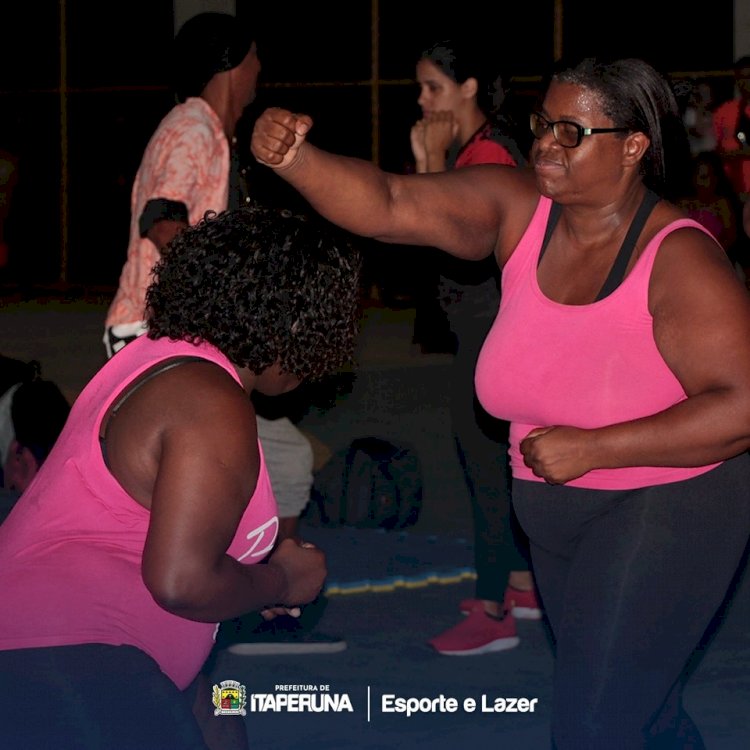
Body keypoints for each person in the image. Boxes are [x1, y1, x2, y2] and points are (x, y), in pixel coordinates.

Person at [250, 56, 750, 748]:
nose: (546, 144)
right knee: (643, 710)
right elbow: (391, 203)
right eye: (545, 125)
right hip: (552, 514)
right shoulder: (519, 212)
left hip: (666, 507)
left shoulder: (679, 259)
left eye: (572, 133)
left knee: (593, 722)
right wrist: (297, 160)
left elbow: (740, 406)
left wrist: (595, 446)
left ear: (634, 146)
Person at [0, 204, 361, 749]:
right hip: (75, 662)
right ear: (292, 325)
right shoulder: (209, 400)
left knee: (223, 713)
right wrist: (283, 580)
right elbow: (181, 583)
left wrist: (245, 587)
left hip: (96, 657)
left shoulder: (158, 360)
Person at [103, 11, 344, 653]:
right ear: (232, 61)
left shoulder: (211, 130)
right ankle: (239, 607)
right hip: (155, 334)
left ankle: (233, 606)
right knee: (226, 479)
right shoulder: (191, 124)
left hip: (180, 335)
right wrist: (220, 292)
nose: (261, 68)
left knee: (277, 462)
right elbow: (162, 217)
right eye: (256, 56)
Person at [408, 39, 540, 656]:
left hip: (492, 336)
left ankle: (493, 614)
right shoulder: (480, 148)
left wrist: (431, 165)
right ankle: (521, 582)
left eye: (433, 87)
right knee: (497, 463)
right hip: (486, 330)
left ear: (468, 88)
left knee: (487, 469)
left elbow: (442, 234)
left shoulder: (484, 154)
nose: (422, 100)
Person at [712, 55, 750, 200]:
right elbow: (716, 148)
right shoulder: (724, 111)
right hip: (730, 187)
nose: (745, 82)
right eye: (741, 77)